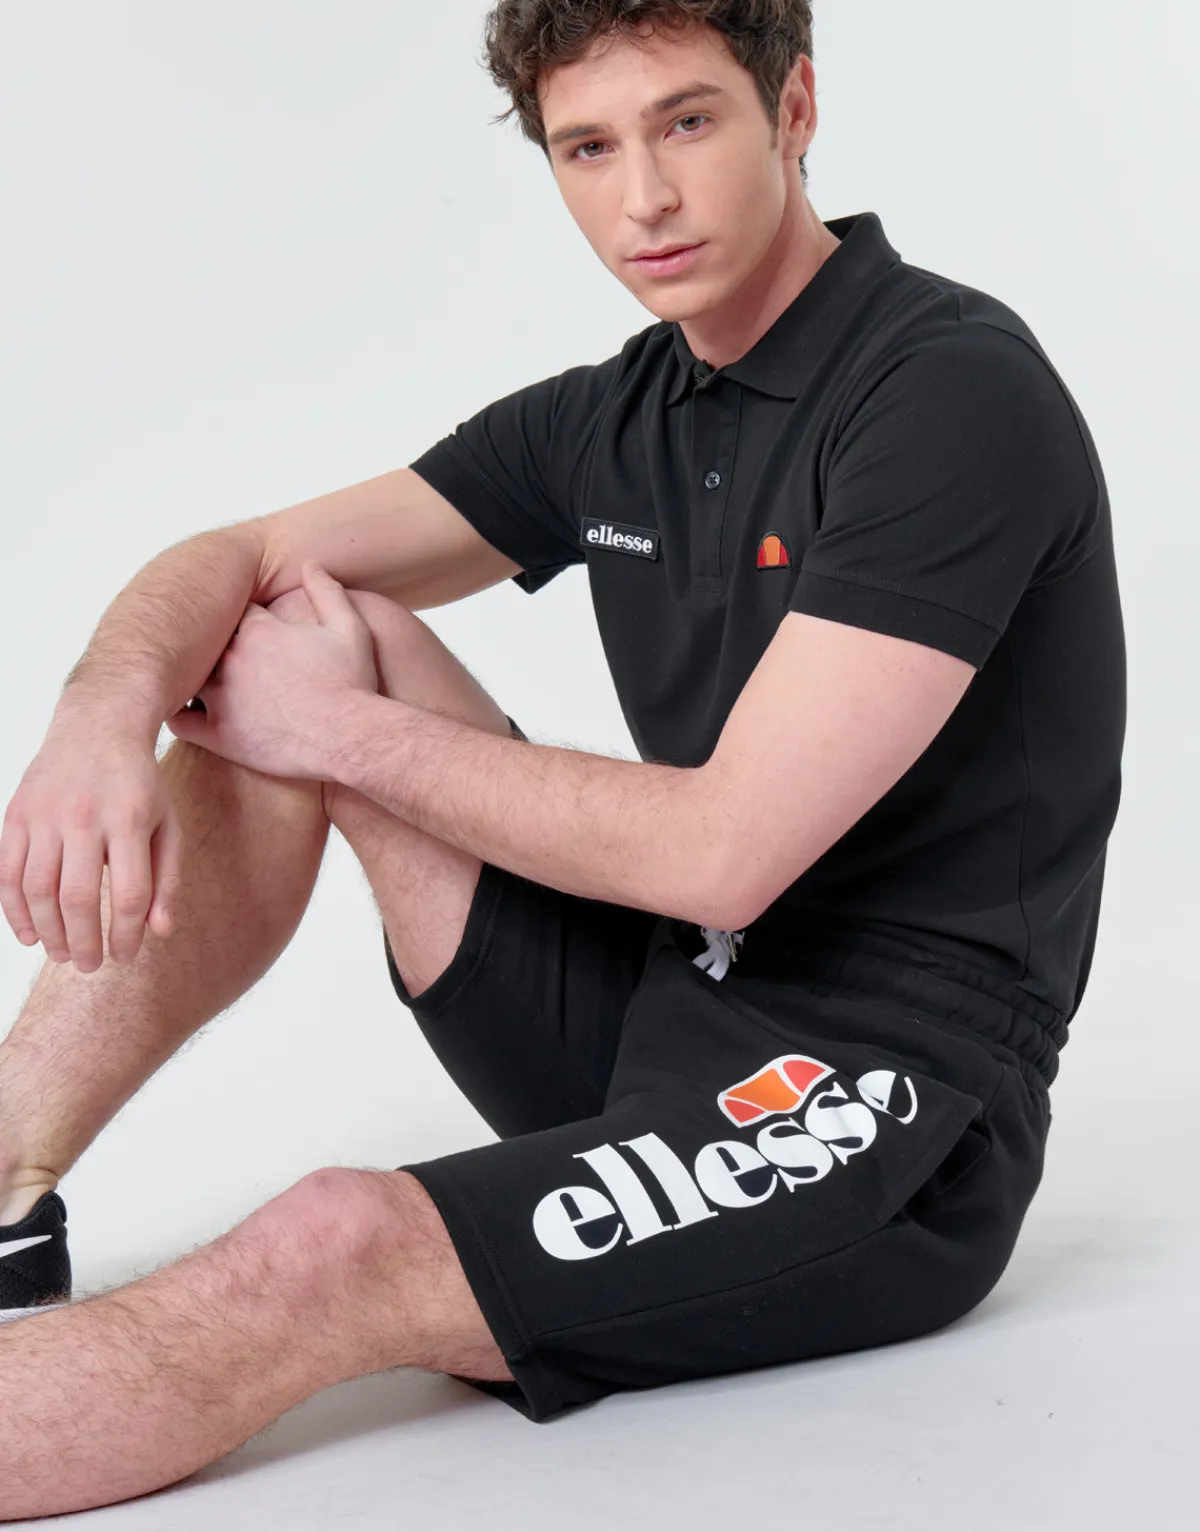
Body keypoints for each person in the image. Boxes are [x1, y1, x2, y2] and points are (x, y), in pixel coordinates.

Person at [0, 0, 1125, 1518]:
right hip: (665, 1005)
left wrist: (335, 731)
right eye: (588, 148)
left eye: (687, 122)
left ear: (794, 109)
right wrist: (97, 716)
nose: (643, 197)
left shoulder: (947, 390)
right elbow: (244, 553)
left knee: (335, 1241)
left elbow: (726, 855)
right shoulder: (623, 414)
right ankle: (5, 1182)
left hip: (884, 1108)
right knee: (310, 624)